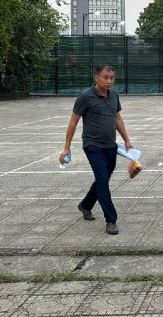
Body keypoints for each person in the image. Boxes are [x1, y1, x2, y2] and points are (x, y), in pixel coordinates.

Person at [59, 64, 133, 235]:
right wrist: (66, 148)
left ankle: (85, 205)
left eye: (112, 78)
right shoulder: (85, 97)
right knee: (102, 180)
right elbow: (73, 123)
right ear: (96, 78)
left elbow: (117, 118)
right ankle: (111, 220)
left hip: (111, 146)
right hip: (92, 146)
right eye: (105, 77)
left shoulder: (114, 95)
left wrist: (127, 140)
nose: (109, 81)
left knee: (103, 179)